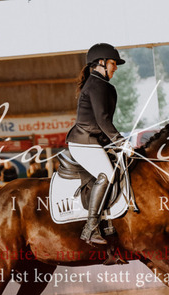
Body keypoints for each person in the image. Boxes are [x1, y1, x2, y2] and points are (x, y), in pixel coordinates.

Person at [65, 42, 126, 245]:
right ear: (101, 62)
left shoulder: (102, 85)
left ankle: (108, 220)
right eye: (113, 63)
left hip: (95, 141)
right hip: (84, 141)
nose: (115, 67)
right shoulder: (96, 85)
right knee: (107, 174)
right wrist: (120, 142)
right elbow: (102, 120)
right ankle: (90, 228)